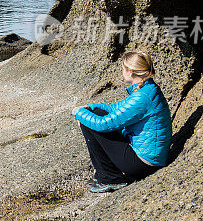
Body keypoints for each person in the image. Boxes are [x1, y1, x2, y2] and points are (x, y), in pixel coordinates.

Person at [73, 50, 172, 193]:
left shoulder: (142, 97)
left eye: (123, 69)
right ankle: (107, 175)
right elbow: (116, 109)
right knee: (94, 115)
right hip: (151, 157)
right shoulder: (148, 89)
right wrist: (91, 107)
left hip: (144, 164)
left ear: (130, 71)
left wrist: (78, 112)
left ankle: (110, 178)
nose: (122, 72)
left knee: (92, 123)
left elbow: (105, 124)